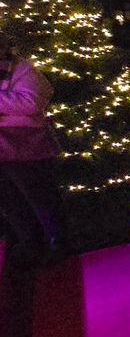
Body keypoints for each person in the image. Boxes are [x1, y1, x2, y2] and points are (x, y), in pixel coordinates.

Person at [0, 35, 62, 261]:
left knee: (38, 198)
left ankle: (56, 242)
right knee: (10, 201)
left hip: (26, 146)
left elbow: (32, 102)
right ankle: (30, 244)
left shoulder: (22, 70)